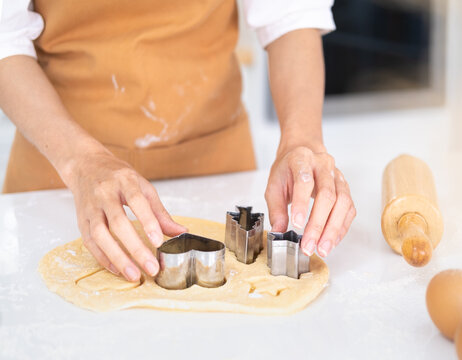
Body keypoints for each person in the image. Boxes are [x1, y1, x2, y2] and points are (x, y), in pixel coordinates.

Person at [0, 0, 356, 282]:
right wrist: (81, 162)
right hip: (59, 173)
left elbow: (289, 13)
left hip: (216, 164)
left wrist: (302, 138)